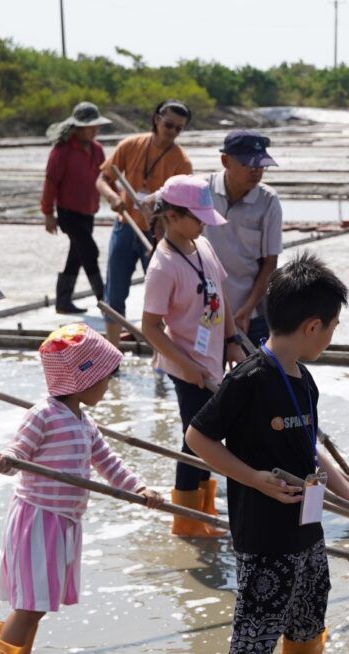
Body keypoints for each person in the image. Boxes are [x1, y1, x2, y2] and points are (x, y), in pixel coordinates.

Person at [186, 253, 349, 654]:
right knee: (259, 616)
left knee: (312, 593)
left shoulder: (303, 378)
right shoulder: (249, 378)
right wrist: (253, 478)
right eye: (332, 328)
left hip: (307, 521)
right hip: (264, 528)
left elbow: (312, 448)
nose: (331, 337)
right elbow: (197, 437)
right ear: (313, 325)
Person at [0, 324, 162, 654]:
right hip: (37, 519)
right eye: (103, 378)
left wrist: (140, 488)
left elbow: (108, 463)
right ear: (80, 381)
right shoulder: (43, 415)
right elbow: (16, 454)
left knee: (38, 605)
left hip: (63, 523)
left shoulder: (83, 422)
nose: (108, 386)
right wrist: (2, 460)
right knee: (27, 605)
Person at [140, 175, 245, 536]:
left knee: (208, 439)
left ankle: (204, 513)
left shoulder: (203, 247)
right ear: (171, 215)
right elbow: (150, 328)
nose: (203, 224)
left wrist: (232, 338)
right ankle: (186, 522)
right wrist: (188, 368)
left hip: (212, 359)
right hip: (187, 367)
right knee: (195, 442)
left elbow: (222, 295)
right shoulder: (162, 266)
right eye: (197, 217)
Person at [96, 99, 194, 345]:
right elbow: (102, 179)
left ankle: (159, 356)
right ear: (156, 119)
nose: (172, 132)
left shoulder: (181, 161)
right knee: (114, 293)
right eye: (169, 125)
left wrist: (160, 217)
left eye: (178, 129)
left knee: (159, 298)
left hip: (157, 235)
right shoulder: (131, 145)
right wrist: (112, 197)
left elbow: (181, 203)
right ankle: (112, 351)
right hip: (125, 226)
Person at [202, 130, 284, 347]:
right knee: (206, 377)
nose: (256, 171)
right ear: (225, 160)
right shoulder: (202, 189)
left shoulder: (268, 201)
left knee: (257, 375)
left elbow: (270, 263)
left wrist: (247, 309)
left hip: (250, 311)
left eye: (261, 165)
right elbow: (161, 205)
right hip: (204, 309)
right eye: (248, 164)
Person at [41, 101, 111, 314]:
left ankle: (63, 301)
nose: (95, 131)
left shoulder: (97, 149)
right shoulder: (62, 150)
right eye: (91, 127)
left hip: (88, 211)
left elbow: (106, 177)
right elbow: (51, 181)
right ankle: (105, 301)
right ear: (78, 127)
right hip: (68, 212)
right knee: (89, 251)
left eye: (96, 127)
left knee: (77, 254)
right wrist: (48, 213)